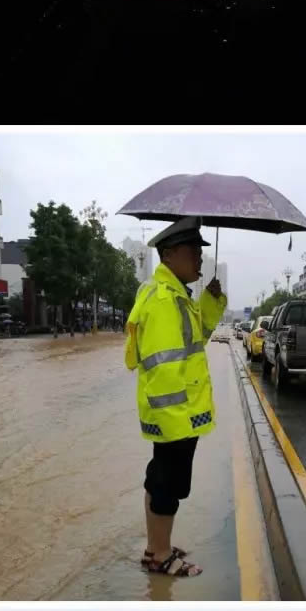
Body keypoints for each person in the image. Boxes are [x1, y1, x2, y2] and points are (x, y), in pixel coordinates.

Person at [124, 217, 227, 579]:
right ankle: (161, 556)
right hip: (175, 415)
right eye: (193, 251)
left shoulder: (176, 295)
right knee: (167, 485)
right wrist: (176, 425)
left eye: (200, 250)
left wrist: (211, 302)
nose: (199, 258)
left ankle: (156, 546)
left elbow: (195, 340)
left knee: (160, 480)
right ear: (169, 254)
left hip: (176, 413)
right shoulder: (165, 299)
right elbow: (165, 368)